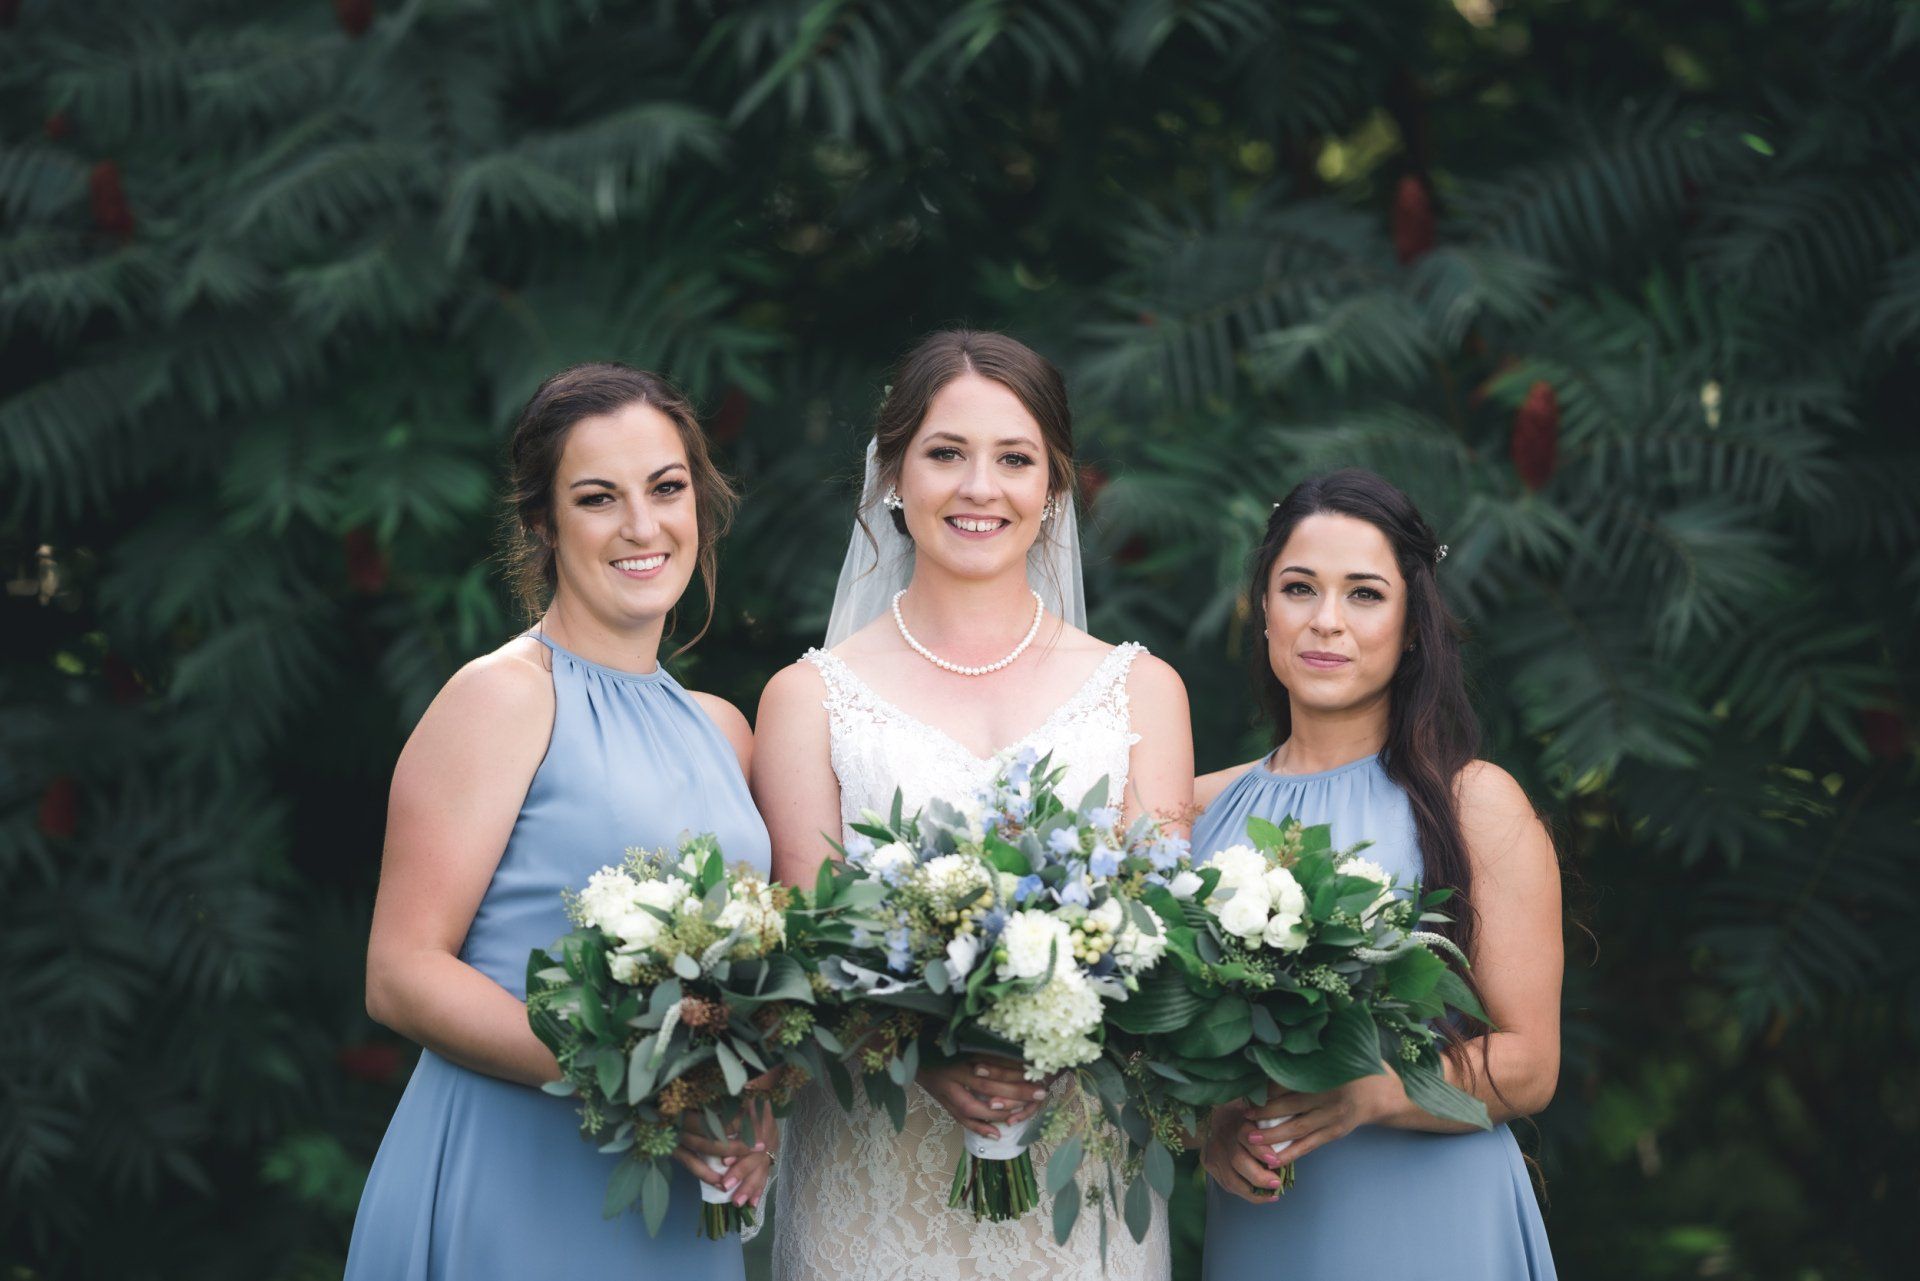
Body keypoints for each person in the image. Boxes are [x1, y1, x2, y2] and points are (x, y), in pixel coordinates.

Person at [752, 330, 1191, 1281]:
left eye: (1015, 458)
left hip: (1080, 1185)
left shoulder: (1140, 690)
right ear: (894, 476)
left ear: (1056, 488)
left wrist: (1059, 1037)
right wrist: (926, 1058)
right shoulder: (809, 698)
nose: (980, 487)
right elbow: (809, 954)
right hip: (873, 1182)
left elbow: (1164, 939)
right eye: (946, 452)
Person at [344, 364, 772, 1279]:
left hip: (677, 1205)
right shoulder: (502, 699)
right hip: (510, 1178)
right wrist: (635, 1075)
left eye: (666, 488)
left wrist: (751, 1092)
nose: (642, 526)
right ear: (543, 522)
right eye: (597, 498)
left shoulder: (726, 731)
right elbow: (400, 973)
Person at [1194, 468, 1560, 1279]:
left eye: (1364, 594)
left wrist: (1373, 1090)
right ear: (1263, 611)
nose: (1327, 621)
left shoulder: (1475, 802)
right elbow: (1163, 1047)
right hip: (1270, 1223)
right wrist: (1209, 1127)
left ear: (1412, 624)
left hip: (1437, 1217)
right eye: (1299, 588)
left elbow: (1531, 1064)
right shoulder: (1192, 813)